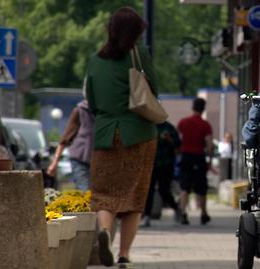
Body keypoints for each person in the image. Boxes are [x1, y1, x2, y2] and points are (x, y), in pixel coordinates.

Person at [84, 7, 158, 268]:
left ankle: (104, 232)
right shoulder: (139, 55)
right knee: (134, 199)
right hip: (139, 134)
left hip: (105, 135)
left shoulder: (94, 60)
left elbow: (91, 100)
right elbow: (153, 90)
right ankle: (124, 255)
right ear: (136, 32)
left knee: (104, 195)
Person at [177, 98, 213, 225]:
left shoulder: (183, 122)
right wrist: (209, 159)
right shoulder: (205, 125)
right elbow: (209, 144)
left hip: (185, 156)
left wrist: (178, 154)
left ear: (193, 107)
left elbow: (178, 140)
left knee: (184, 187)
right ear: (203, 109)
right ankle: (203, 214)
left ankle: (183, 213)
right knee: (201, 188)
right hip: (198, 157)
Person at [141, 121, 181, 227]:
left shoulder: (167, 127)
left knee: (164, 190)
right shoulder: (146, 125)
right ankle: (147, 216)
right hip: (150, 163)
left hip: (165, 163)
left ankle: (177, 208)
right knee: (148, 190)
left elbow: (178, 144)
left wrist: (169, 139)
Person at [47, 100, 94, 191]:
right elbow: (65, 139)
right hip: (80, 159)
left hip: (99, 159)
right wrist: (55, 162)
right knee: (85, 190)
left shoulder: (106, 110)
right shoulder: (80, 110)